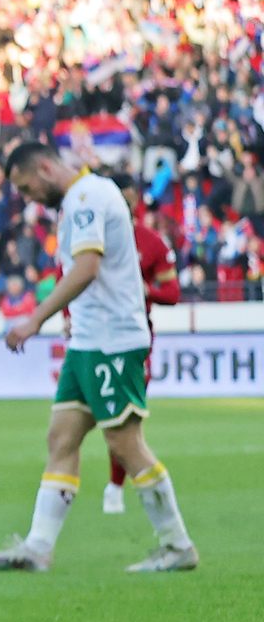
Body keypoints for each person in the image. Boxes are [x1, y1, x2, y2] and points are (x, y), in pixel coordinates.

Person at [0, 143, 199, 573]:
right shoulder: (84, 198)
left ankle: (178, 545)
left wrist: (35, 319)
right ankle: (38, 547)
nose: (28, 198)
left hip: (112, 341)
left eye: (27, 187)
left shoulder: (86, 198)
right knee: (61, 437)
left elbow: (87, 267)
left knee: (124, 443)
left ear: (45, 168)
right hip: (88, 339)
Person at [103, 211, 181, 514]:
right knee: (68, 428)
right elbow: (66, 274)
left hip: (135, 339)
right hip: (95, 335)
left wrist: (149, 291)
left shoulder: (151, 242)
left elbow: (172, 293)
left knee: (126, 418)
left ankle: (115, 487)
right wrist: (69, 316)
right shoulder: (91, 236)